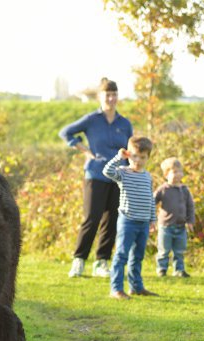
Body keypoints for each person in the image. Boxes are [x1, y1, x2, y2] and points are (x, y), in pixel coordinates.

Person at [60, 78, 133, 278]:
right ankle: (79, 260)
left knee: (112, 220)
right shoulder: (92, 120)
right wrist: (83, 149)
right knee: (91, 218)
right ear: (100, 97)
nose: (111, 98)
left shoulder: (124, 123)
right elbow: (65, 132)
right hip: (95, 174)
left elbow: (131, 149)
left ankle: (102, 262)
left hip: (118, 177)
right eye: (107, 95)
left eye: (114, 94)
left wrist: (132, 169)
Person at [103, 137, 158, 300]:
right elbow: (107, 171)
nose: (138, 160)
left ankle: (136, 287)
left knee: (138, 255)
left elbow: (150, 199)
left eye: (143, 157)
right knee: (121, 255)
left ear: (148, 158)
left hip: (143, 223)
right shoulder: (123, 172)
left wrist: (153, 219)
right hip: (128, 221)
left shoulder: (148, 176)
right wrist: (119, 157)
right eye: (135, 156)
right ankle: (116, 289)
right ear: (129, 155)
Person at [154, 157, 196, 277]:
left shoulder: (185, 190)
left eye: (179, 171)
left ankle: (179, 269)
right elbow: (152, 201)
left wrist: (190, 221)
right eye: (174, 172)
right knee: (164, 249)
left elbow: (190, 206)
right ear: (166, 174)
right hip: (166, 226)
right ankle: (161, 269)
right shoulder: (163, 189)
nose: (178, 175)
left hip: (181, 225)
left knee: (179, 250)